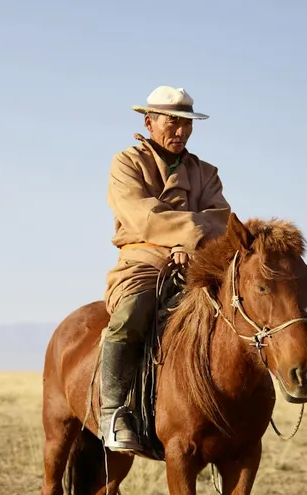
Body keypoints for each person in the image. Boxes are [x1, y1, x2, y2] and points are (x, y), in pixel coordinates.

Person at [99, 85, 233, 453]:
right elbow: (142, 216)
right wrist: (189, 234)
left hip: (196, 262)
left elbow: (222, 219)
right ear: (149, 121)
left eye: (187, 125)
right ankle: (112, 411)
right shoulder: (127, 163)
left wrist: (189, 246)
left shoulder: (206, 173)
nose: (180, 132)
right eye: (172, 123)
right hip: (140, 262)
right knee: (131, 313)